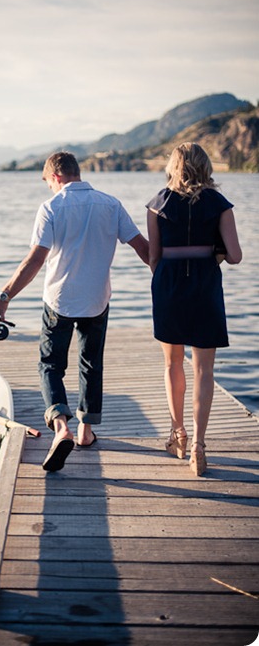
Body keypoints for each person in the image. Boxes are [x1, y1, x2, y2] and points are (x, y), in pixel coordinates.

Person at [0, 151, 149, 471]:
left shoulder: (52, 208)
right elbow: (143, 248)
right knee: (91, 363)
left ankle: (62, 427)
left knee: (50, 365)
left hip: (59, 301)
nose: (49, 189)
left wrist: (4, 296)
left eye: (47, 183)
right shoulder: (111, 204)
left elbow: (35, 260)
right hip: (97, 300)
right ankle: (86, 432)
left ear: (55, 177)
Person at [146, 142, 242, 476]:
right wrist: (210, 252)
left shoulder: (158, 203)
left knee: (173, 363)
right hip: (204, 285)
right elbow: (235, 256)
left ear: (174, 165)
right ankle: (199, 447)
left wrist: (169, 278)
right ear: (205, 166)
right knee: (204, 370)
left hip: (169, 284)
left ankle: (178, 434)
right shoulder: (219, 203)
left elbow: (154, 258)